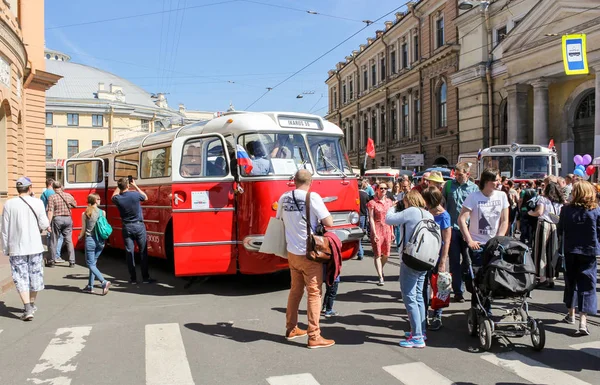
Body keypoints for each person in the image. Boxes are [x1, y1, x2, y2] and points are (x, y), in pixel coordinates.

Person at [276, 169, 335, 349]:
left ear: (294, 181)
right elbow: (329, 222)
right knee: (314, 293)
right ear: (311, 181)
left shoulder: (284, 197)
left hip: (292, 252)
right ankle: (314, 335)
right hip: (309, 253)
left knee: (295, 291)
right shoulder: (313, 197)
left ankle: (291, 327)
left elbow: (279, 219)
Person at [385, 190, 434, 348]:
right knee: (419, 296)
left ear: (408, 201)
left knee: (409, 296)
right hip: (425, 259)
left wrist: (394, 206)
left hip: (411, 259)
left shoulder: (410, 211)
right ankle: (420, 330)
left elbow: (389, 219)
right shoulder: (428, 214)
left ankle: (417, 337)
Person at [0, 177, 51, 321]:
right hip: (34, 246)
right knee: (35, 276)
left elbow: (4, 229)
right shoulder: (38, 203)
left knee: (20, 277)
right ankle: (32, 304)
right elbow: (44, 223)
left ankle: (27, 307)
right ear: (30, 188)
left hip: (16, 247)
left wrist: (5, 247)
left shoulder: (9, 204)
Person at [558, 181, 599, 336]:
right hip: (589, 252)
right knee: (587, 285)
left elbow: (560, 230)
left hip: (570, 250)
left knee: (571, 282)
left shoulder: (566, 210)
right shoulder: (595, 211)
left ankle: (571, 314)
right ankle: (583, 321)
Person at [442, 162, 478, 303]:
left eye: (460, 174)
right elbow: (442, 204)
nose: (457, 177)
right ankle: (458, 291)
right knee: (454, 261)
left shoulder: (474, 188)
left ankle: (468, 283)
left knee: (469, 260)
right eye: (455, 174)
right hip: (452, 229)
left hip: (468, 230)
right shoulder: (449, 185)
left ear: (467, 174)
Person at [112, 177, 156, 284]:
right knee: (143, 252)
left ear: (119, 186)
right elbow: (145, 197)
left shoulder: (118, 198)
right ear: (128, 186)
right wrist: (135, 185)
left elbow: (113, 196)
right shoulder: (135, 195)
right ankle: (145, 277)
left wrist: (119, 186)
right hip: (139, 226)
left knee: (129, 252)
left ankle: (133, 279)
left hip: (127, 227)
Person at [421, 187, 451, 331]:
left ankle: (437, 315)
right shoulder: (425, 213)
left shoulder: (444, 216)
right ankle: (424, 313)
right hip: (426, 254)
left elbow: (447, 240)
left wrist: (443, 261)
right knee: (424, 285)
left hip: (439, 256)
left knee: (440, 286)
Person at [528, 182, 563, 289]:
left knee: (541, 251)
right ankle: (551, 277)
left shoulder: (543, 199)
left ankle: (542, 277)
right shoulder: (560, 202)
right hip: (555, 226)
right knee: (552, 251)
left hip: (544, 225)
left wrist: (530, 213)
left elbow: (539, 212)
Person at [78, 194, 111, 295]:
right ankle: (90, 286)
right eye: (98, 199)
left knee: (90, 264)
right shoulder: (103, 212)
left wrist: (79, 237)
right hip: (101, 241)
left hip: (90, 240)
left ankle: (103, 282)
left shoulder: (85, 213)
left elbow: (83, 230)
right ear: (95, 201)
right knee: (93, 264)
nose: (100, 200)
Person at [367, 182, 395, 286]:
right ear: (377, 189)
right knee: (377, 254)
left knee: (386, 254)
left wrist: (392, 231)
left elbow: (390, 217)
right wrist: (374, 233)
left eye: (385, 188)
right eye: (381, 188)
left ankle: (380, 268)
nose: (383, 190)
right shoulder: (372, 203)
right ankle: (380, 276)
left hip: (387, 228)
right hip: (377, 228)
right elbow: (371, 218)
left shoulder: (389, 202)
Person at [47, 181, 77, 268]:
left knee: (54, 240)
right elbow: (75, 205)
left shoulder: (52, 197)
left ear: (53, 188)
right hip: (68, 218)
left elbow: (50, 211)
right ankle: (72, 261)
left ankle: (52, 260)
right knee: (68, 240)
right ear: (61, 186)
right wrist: (69, 207)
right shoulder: (68, 195)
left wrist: (48, 223)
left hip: (57, 219)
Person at [40, 178, 64, 265]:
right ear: (51, 184)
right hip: (54, 215)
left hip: (46, 215)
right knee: (59, 236)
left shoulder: (43, 194)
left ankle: (51, 253)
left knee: (49, 236)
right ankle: (56, 255)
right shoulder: (52, 193)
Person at [519, 181, 538, 246]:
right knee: (531, 225)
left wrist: (519, 208)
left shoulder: (523, 191)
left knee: (523, 225)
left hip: (524, 209)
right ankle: (530, 240)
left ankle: (522, 239)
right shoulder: (535, 192)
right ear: (533, 185)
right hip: (532, 210)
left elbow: (520, 201)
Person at [357, 180, 369, 260]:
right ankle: (360, 250)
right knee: (360, 233)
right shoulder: (365, 194)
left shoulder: (355, 194)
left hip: (355, 215)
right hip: (363, 215)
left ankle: (360, 251)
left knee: (357, 235)